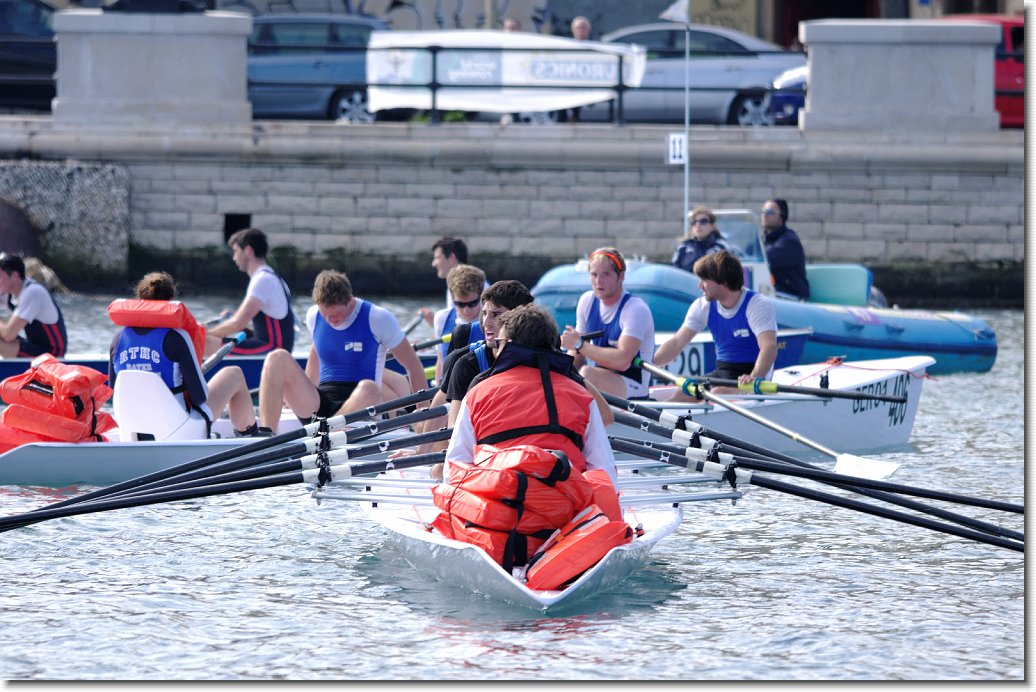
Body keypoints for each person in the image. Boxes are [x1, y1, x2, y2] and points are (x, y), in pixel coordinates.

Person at [444, 303, 617, 485]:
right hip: (562, 505)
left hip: (498, 502)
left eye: (499, 343)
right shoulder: (581, 395)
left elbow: (454, 470)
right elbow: (604, 473)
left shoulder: (477, 393)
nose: (495, 350)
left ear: (508, 346)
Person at [257, 269, 426, 430]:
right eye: (326, 315)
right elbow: (316, 353)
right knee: (276, 357)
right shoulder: (313, 316)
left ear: (350, 300)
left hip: (362, 407)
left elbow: (413, 365)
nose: (330, 320)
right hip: (321, 405)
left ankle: (328, 432)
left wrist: (423, 413)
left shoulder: (378, 318)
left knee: (370, 388)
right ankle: (266, 434)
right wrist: (304, 390)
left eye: (336, 316)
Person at [108, 271, 260, 436]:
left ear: (139, 300)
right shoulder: (176, 337)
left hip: (132, 427)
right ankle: (250, 435)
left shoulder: (117, 339)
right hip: (178, 427)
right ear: (170, 301)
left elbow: (113, 391)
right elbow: (199, 396)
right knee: (234, 373)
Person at [653, 251, 777, 401]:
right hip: (723, 372)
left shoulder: (757, 305)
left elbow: (769, 347)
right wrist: (650, 362)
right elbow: (677, 342)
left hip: (753, 375)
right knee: (683, 392)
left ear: (723, 282)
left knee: (718, 393)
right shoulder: (702, 306)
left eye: (704, 279)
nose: (700, 285)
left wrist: (754, 377)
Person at [559, 247, 655, 400]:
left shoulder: (635, 309)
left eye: (606, 274)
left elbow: (623, 361)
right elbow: (577, 356)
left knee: (587, 374)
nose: (598, 281)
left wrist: (578, 345)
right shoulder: (587, 301)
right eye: (594, 274)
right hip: (601, 380)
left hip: (634, 385)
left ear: (621, 276)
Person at [205, 227, 295, 357]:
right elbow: (250, 325)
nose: (234, 258)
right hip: (273, 348)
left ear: (248, 251)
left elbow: (237, 323)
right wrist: (234, 318)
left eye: (236, 251)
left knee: (203, 342)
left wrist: (203, 334)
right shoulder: (271, 276)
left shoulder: (262, 279)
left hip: (272, 351)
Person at [0, 253, 68, 359]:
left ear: (15, 276)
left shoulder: (33, 292)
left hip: (52, 356)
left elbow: (8, 335)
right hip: (35, 348)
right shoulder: (12, 290)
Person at [432, 264, 485, 383]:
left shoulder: (490, 320)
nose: (466, 310)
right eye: (460, 304)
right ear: (451, 296)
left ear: (481, 295)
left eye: (472, 303)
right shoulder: (442, 318)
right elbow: (440, 361)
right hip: (449, 388)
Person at [761, 198, 810, 301]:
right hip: (774, 295)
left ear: (782, 215)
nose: (765, 215)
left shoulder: (790, 241)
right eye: (763, 212)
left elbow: (766, 259)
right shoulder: (763, 239)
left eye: (769, 212)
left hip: (792, 298)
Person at [417, 236, 468, 327]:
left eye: (437, 258)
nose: (433, 264)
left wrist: (433, 320)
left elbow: (462, 329)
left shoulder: (464, 284)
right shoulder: (459, 281)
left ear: (452, 257)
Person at [671, 206, 733, 272]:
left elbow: (728, 272)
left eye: (703, 221)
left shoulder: (721, 247)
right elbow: (675, 270)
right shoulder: (683, 247)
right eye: (694, 222)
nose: (698, 225)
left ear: (712, 226)